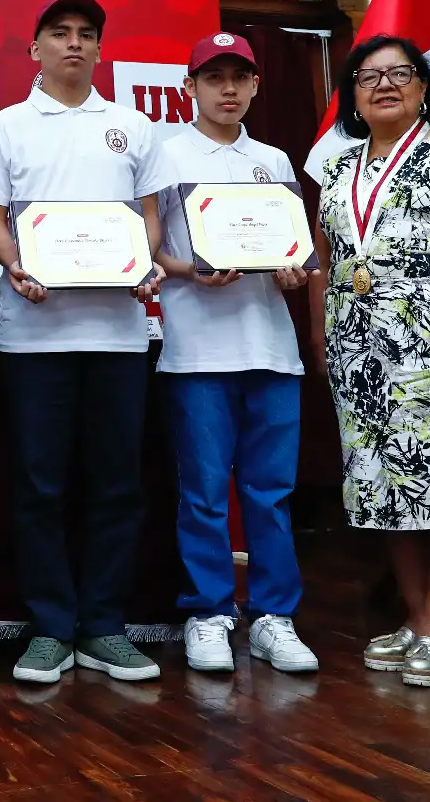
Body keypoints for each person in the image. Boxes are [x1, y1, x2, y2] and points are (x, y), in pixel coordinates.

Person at [0, 0, 168, 687]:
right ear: (36, 49)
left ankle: (105, 626)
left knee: (116, 484)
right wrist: (13, 262)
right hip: (34, 335)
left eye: (87, 35)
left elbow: (150, 221)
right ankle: (51, 627)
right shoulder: (7, 126)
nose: (75, 45)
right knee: (39, 485)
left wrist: (144, 265)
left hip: (117, 335)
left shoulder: (133, 126)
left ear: (100, 49)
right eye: (60, 34)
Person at [313, 35, 430, 688]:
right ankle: (418, 617)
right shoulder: (337, 169)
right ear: (353, 96)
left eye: (401, 73)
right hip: (360, 355)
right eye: (369, 77)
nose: (385, 85)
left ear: (425, 88)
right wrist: (323, 341)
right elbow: (326, 263)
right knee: (383, 489)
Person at [152, 34, 317, 676]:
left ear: (254, 86)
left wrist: (292, 272)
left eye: (238, 78)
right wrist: (186, 270)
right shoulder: (165, 156)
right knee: (202, 492)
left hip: (271, 346)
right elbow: (152, 247)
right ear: (189, 86)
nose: (227, 89)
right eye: (213, 77)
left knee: (271, 492)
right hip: (196, 348)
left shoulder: (274, 160)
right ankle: (209, 614)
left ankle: (275, 617)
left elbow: (294, 251)